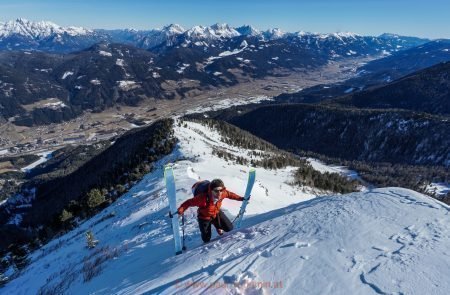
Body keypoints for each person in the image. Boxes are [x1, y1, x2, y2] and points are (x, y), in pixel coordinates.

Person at [177, 179, 246, 243]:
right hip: (204, 217)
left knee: (229, 228)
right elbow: (188, 203)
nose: (219, 193)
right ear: (211, 190)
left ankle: (218, 226)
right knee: (206, 239)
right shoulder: (202, 198)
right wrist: (181, 210)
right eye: (216, 191)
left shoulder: (223, 193)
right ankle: (216, 225)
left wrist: (241, 198)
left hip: (216, 213)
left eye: (221, 190)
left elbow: (231, 195)